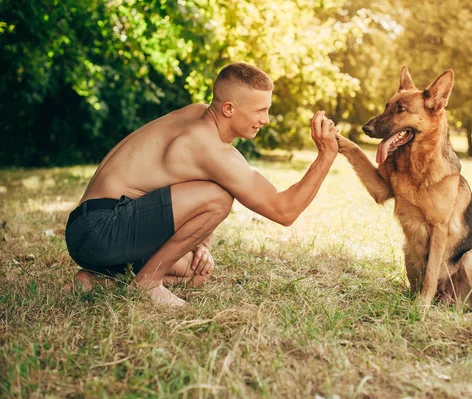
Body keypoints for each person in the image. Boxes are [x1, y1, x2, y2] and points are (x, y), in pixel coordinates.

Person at [64, 62, 339, 306]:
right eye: (260, 111)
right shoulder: (205, 146)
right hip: (100, 229)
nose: (265, 120)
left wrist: (202, 246)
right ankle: (147, 284)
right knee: (219, 198)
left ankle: (98, 281)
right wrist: (326, 156)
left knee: (195, 273)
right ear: (229, 108)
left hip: (93, 231)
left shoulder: (199, 114)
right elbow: (284, 211)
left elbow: (187, 182)